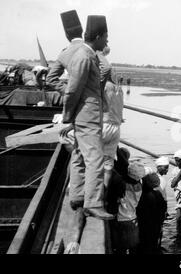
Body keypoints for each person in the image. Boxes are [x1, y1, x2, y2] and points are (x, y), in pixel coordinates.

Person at [59, 15, 112, 220]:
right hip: (87, 116)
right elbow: (72, 90)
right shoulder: (84, 56)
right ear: (97, 36)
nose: (107, 42)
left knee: (80, 155)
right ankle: (93, 203)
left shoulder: (88, 54)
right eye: (105, 37)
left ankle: (78, 195)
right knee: (96, 159)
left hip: (87, 115)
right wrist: (67, 116)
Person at [98, 48, 124, 190]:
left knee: (92, 157)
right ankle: (104, 194)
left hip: (104, 124)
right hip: (116, 127)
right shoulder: (119, 89)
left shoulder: (104, 87)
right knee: (108, 164)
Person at [107, 147, 141, 254]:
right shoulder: (140, 185)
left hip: (122, 220)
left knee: (120, 248)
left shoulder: (122, 185)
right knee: (133, 247)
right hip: (132, 219)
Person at [47, 10, 85, 94]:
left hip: (72, 100)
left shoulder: (64, 53)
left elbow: (50, 79)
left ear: (67, 34)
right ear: (82, 31)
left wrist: (69, 91)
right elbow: (105, 69)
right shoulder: (91, 48)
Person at [136, 163, 167, 254]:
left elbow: (140, 212)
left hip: (145, 227)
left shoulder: (144, 195)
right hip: (156, 226)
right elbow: (163, 210)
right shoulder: (158, 194)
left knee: (144, 246)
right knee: (154, 245)